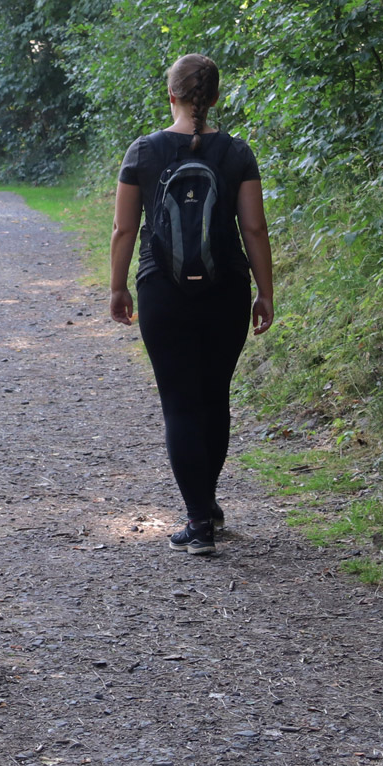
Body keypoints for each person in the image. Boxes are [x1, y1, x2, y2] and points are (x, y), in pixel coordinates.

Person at [108, 53, 275, 555]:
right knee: (214, 397)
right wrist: (265, 291)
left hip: (163, 291)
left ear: (172, 95)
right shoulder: (237, 152)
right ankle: (208, 506)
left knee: (179, 402)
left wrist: (118, 287)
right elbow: (254, 228)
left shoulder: (144, 151)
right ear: (217, 97)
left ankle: (198, 520)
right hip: (226, 290)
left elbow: (123, 228)